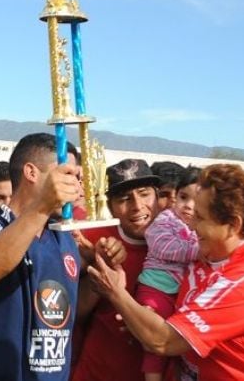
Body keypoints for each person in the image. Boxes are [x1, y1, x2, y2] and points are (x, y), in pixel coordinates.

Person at [0, 133, 121, 380]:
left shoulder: (65, 237)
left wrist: (101, 267)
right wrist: (41, 206)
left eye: (78, 178)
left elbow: (70, 310)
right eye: (66, 175)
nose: (76, 186)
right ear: (31, 173)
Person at [88, 163, 244, 380]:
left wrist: (115, 292)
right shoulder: (208, 254)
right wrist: (139, 317)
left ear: (232, 225)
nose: (190, 225)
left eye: (200, 217)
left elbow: (164, 341)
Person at [71, 158, 162, 381]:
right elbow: (76, 313)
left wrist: (143, 324)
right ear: (109, 206)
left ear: (157, 196)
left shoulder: (185, 245)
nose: (137, 206)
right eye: (124, 198)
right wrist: (100, 264)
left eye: (144, 193)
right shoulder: (94, 238)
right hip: (96, 372)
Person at [135, 165, 201, 381]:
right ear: (175, 197)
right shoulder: (165, 220)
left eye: (197, 200)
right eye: (183, 197)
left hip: (177, 292)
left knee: (176, 342)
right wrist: (201, 250)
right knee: (155, 340)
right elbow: (164, 247)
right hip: (157, 288)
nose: (189, 206)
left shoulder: (198, 226)